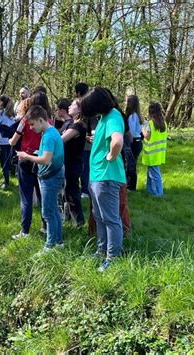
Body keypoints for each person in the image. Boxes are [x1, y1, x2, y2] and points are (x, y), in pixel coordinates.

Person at [81, 86, 126, 272]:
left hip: (106, 177)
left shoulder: (113, 116)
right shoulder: (104, 118)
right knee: (99, 217)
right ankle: (101, 251)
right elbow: (109, 140)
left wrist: (110, 156)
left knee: (110, 219)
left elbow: (117, 141)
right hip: (97, 176)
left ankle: (113, 257)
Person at [16, 105, 65, 252]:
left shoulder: (49, 135)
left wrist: (26, 156)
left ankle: (49, 246)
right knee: (54, 211)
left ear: (41, 120)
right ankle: (59, 242)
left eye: (32, 124)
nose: (30, 128)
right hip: (53, 175)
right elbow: (47, 154)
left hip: (50, 178)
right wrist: (39, 151)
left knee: (48, 213)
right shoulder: (50, 132)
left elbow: (46, 160)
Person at [9, 98, 45, 239]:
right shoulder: (48, 120)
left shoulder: (24, 121)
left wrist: (10, 142)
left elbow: (13, 140)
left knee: (26, 197)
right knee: (43, 195)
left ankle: (25, 231)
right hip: (41, 158)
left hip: (25, 158)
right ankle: (46, 226)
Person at [61, 100, 86, 226]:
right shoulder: (73, 124)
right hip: (69, 162)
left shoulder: (78, 126)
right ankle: (69, 219)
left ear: (80, 110)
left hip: (73, 164)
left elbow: (61, 140)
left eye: (73, 105)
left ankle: (79, 223)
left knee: (72, 194)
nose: (69, 107)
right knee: (67, 192)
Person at [142, 102, 168, 196]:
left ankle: (158, 193)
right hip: (159, 153)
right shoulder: (163, 123)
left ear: (150, 112)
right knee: (151, 172)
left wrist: (142, 128)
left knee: (155, 174)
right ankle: (150, 190)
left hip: (151, 153)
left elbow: (147, 136)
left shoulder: (150, 124)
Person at [74, 82, 94, 198]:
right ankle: (88, 188)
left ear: (78, 92)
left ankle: (85, 190)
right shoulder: (92, 104)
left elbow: (82, 124)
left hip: (84, 140)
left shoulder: (81, 106)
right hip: (91, 139)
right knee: (88, 166)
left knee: (84, 166)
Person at [0, 95, 15, 189]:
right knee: (8, 161)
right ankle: (8, 179)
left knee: (3, 162)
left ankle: (6, 181)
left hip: (1, 141)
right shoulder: (12, 114)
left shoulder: (0, 114)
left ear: (2, 103)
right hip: (11, 140)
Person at [125, 95, 143, 191]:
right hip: (137, 141)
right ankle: (130, 185)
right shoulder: (136, 115)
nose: (126, 104)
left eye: (128, 102)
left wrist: (128, 144)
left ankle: (131, 187)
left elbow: (130, 132)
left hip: (134, 142)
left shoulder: (132, 116)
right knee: (131, 164)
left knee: (131, 165)